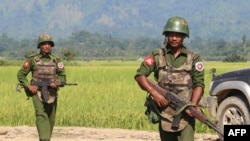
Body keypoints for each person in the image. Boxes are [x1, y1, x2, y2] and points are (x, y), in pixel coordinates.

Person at [134, 16, 205, 141]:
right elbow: (140, 76)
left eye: (178, 35)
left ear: (184, 37)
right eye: (171, 34)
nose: (174, 38)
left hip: (185, 114)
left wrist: (192, 105)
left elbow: (199, 84)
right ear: (166, 36)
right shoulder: (157, 56)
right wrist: (155, 94)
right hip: (164, 112)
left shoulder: (194, 58)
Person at [17, 33, 66, 141]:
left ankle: (46, 138)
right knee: (41, 115)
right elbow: (21, 74)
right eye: (44, 44)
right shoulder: (32, 60)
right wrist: (28, 86)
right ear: (39, 46)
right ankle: (44, 139)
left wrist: (57, 82)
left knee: (51, 118)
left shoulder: (57, 60)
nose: (47, 46)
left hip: (52, 92)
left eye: (49, 44)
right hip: (36, 91)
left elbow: (63, 77)